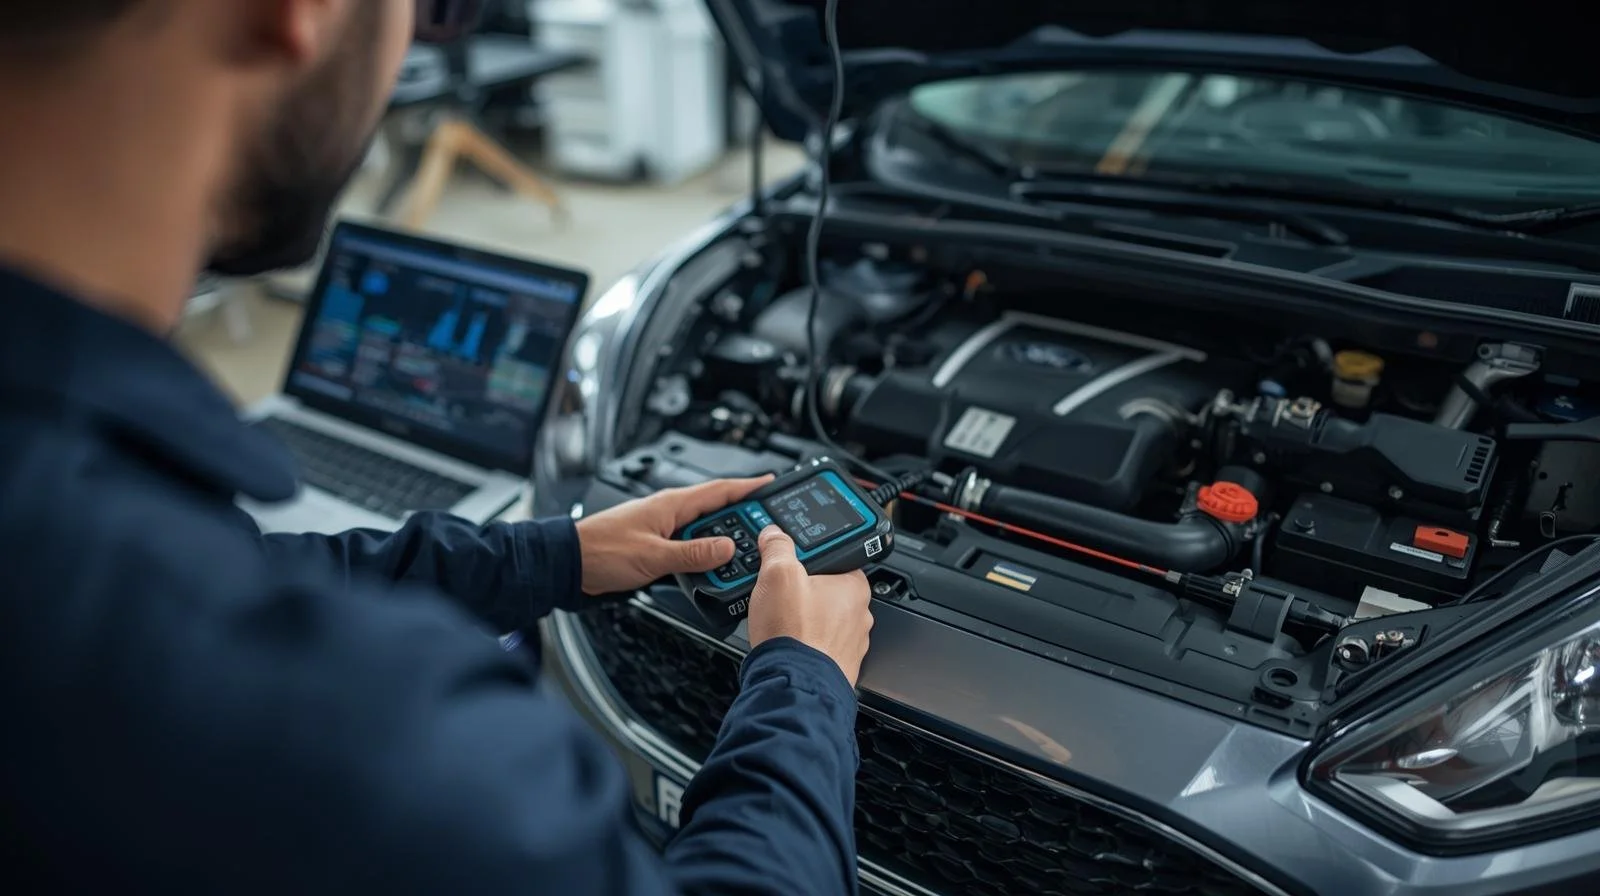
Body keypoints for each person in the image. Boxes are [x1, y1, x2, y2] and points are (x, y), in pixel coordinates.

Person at [0, 2, 874, 893]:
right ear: (298, 12)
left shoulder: (77, 530)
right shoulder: (365, 726)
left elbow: (240, 571)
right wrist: (802, 686)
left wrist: (554, 554)